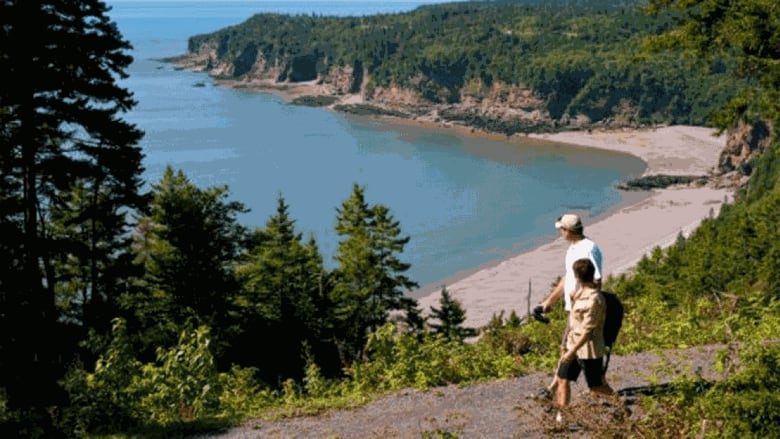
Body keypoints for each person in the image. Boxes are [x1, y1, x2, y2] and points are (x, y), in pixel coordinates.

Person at [533, 213, 603, 399]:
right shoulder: (573, 248)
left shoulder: (588, 249)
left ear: (568, 231)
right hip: (573, 309)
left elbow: (597, 280)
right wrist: (549, 301)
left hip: (582, 310)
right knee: (566, 348)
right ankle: (554, 388)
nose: (560, 233)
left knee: (569, 349)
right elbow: (568, 278)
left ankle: (554, 389)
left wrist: (582, 300)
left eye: (561, 230)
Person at [555, 258, 614, 419]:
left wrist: (570, 351)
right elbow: (574, 321)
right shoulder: (579, 293)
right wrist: (566, 344)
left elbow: (588, 330)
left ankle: (620, 406)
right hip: (572, 345)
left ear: (577, 277)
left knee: (596, 386)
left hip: (589, 350)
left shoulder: (594, 298)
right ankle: (562, 416)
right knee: (562, 379)